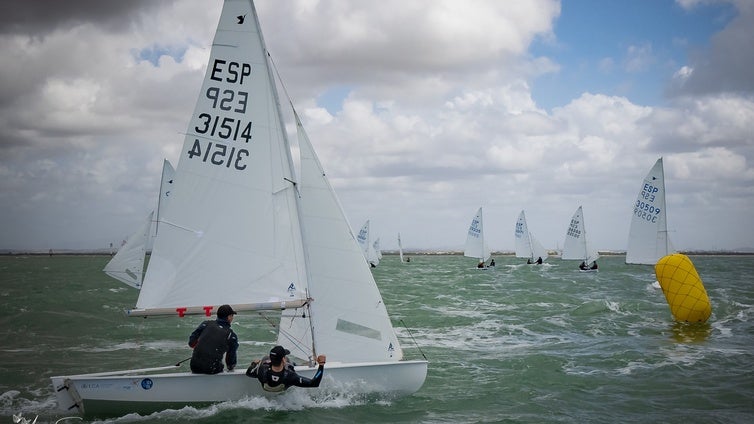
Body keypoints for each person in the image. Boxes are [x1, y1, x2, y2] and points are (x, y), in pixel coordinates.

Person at [246, 345, 326, 392]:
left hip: (267, 387)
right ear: (283, 360)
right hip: (283, 385)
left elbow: (248, 373)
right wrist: (321, 365)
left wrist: (253, 364)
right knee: (291, 364)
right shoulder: (290, 376)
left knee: (264, 359)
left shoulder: (261, 370)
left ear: (271, 360)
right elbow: (314, 383)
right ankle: (301, 364)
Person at [188, 304, 239, 374]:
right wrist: (231, 368)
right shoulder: (231, 335)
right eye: (232, 316)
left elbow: (191, 343)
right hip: (212, 370)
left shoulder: (205, 324)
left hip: (194, 367)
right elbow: (230, 362)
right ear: (229, 317)